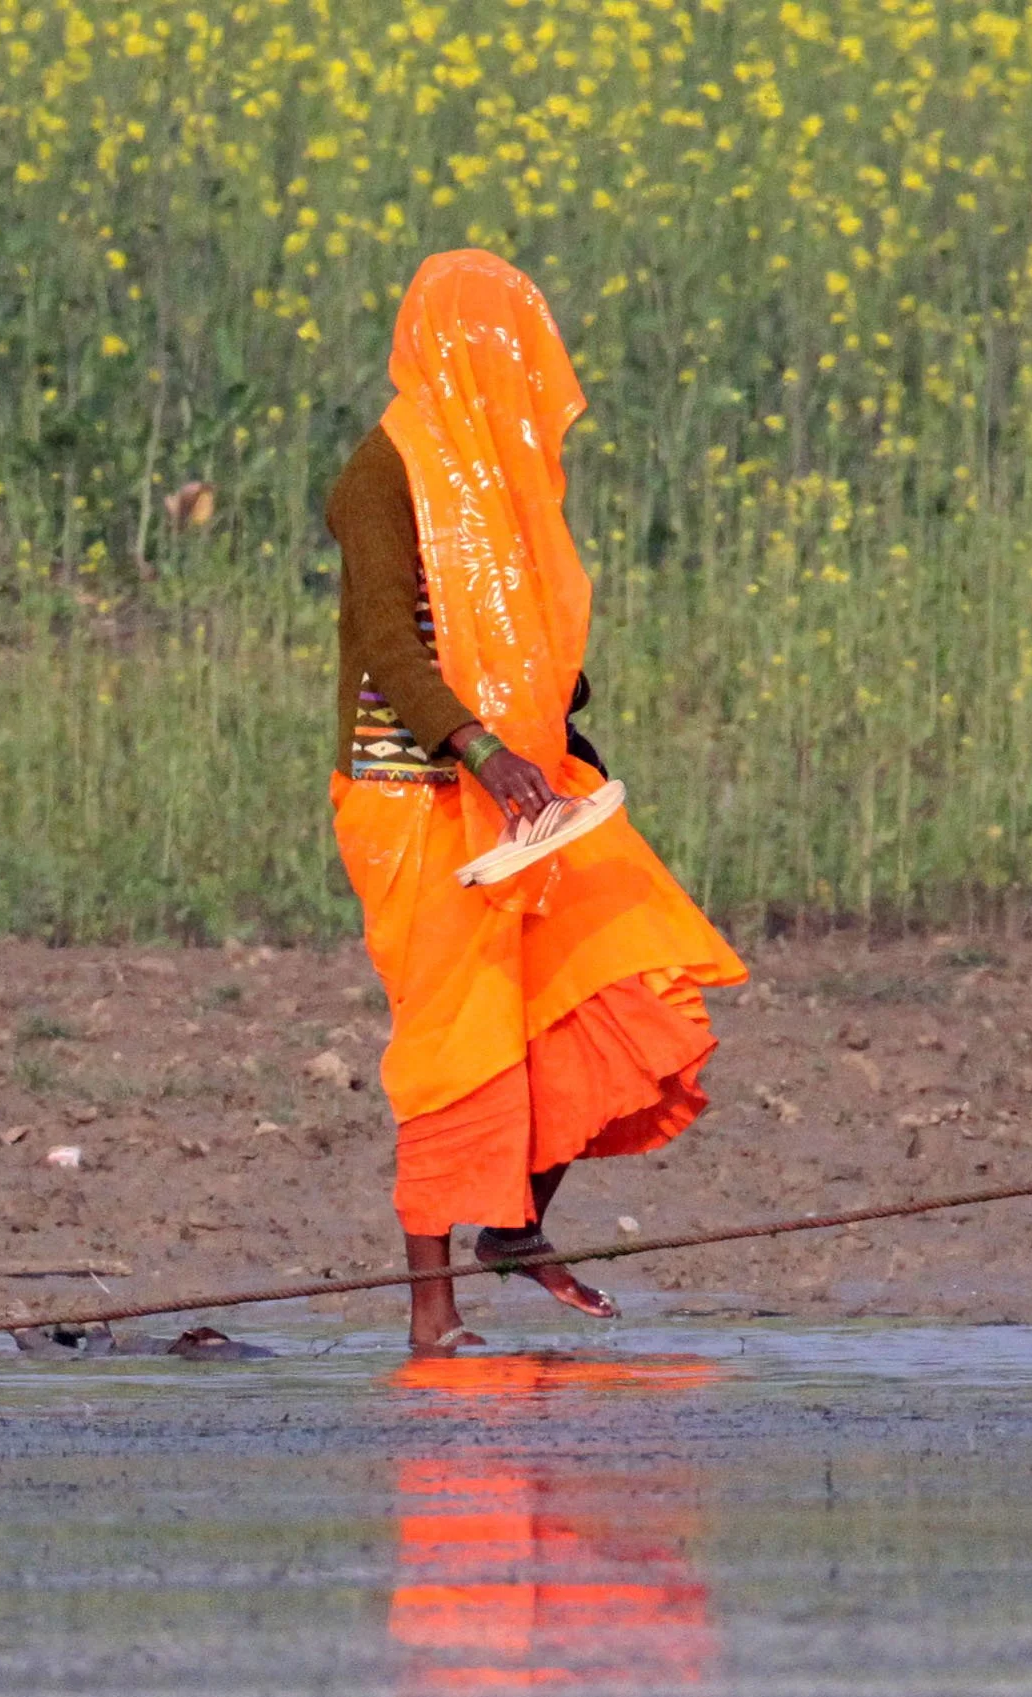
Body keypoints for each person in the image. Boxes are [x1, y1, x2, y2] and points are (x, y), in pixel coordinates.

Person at [326, 249, 746, 1354]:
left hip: (530, 791)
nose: (519, 369)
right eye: (499, 346)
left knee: (636, 991)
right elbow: (387, 643)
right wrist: (479, 746)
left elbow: (528, 642)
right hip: (414, 793)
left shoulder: (499, 481)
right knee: (455, 1041)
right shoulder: (381, 472)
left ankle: (514, 1227)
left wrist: (539, 725)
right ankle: (432, 1318)